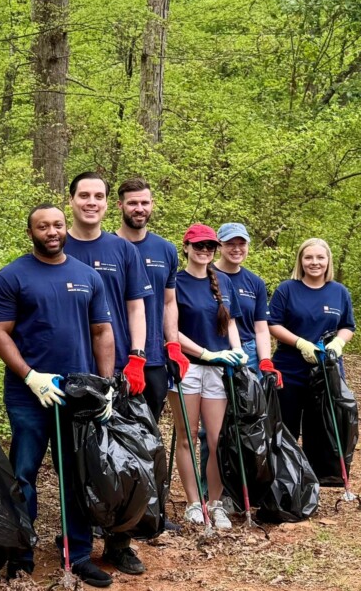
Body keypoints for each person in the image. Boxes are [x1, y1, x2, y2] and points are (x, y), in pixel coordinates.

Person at [0, 204, 116, 587]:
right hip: (30, 394)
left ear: (65, 229)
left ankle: (77, 554)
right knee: (23, 475)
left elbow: (101, 333)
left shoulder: (87, 276)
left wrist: (105, 387)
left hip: (77, 395)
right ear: (31, 232)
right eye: (43, 226)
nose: (52, 231)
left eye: (57, 224)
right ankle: (21, 555)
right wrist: (30, 376)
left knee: (75, 475)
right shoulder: (12, 276)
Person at [65, 172, 153, 575]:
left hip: (119, 371)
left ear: (106, 203)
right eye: (84, 195)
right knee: (80, 460)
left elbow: (137, 306)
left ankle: (120, 540)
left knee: (127, 458)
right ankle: (77, 540)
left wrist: (136, 356)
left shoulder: (123, 249)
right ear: (72, 200)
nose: (92, 202)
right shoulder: (56, 242)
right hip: (71, 373)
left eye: (98, 196)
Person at [170, 224, 248, 532]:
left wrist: (237, 350)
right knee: (187, 436)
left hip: (219, 369)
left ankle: (214, 502)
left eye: (210, 247)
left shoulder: (224, 281)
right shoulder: (174, 281)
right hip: (187, 367)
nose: (205, 251)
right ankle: (193, 503)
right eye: (199, 246)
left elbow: (229, 322)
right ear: (186, 247)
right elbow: (170, 330)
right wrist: (205, 353)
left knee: (216, 440)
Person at [115, 178, 190, 418]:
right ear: (119, 205)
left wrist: (174, 345)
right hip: (114, 357)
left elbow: (169, 302)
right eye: (132, 203)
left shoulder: (166, 249)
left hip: (154, 358)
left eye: (144, 202)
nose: (139, 208)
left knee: (149, 434)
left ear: (152, 204)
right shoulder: (107, 246)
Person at [268, 238, 355, 439]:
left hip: (327, 371)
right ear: (301, 261)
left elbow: (347, 326)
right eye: (308, 257)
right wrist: (300, 343)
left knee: (322, 432)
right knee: (285, 432)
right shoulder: (287, 289)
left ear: (328, 261)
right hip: (289, 370)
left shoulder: (339, 292)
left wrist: (338, 342)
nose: (314, 262)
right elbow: (273, 323)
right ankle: (287, 471)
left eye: (320, 257)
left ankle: (317, 471)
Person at [214, 222, 278, 379]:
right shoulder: (204, 274)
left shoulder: (256, 282)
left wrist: (265, 361)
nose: (237, 249)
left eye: (242, 244)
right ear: (219, 246)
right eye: (230, 243)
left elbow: (261, 328)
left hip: (247, 353)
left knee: (250, 402)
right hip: (213, 351)